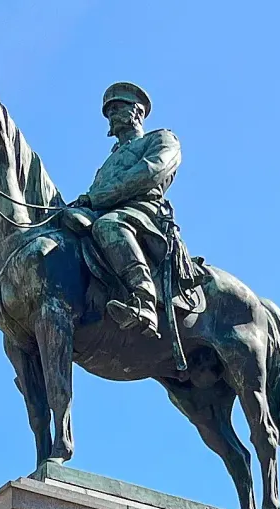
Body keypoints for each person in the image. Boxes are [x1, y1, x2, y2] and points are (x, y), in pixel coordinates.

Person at [60, 82, 188, 339]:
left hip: (143, 212)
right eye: (109, 113)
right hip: (107, 211)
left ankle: (144, 300)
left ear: (137, 111)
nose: (112, 117)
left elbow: (150, 173)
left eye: (117, 109)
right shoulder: (109, 161)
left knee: (108, 226)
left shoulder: (161, 139)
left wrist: (95, 197)